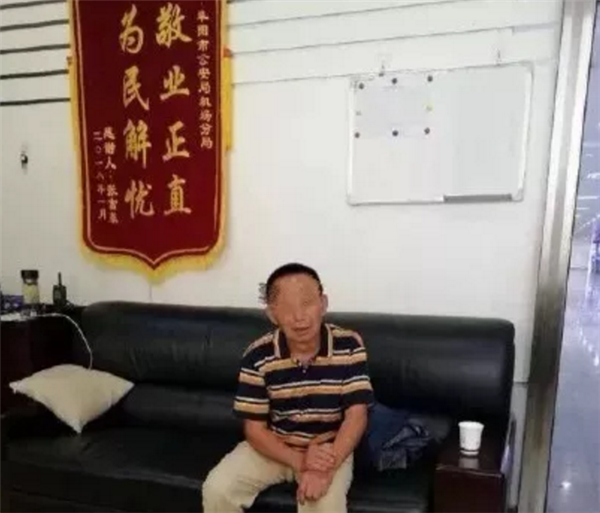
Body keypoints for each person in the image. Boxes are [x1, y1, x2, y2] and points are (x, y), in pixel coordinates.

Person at [203, 263, 374, 513]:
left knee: (323, 505)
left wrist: (325, 466)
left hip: (330, 449)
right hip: (276, 446)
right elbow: (254, 429)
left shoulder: (349, 345)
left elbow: (357, 416)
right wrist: (301, 461)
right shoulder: (257, 355)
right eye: (287, 308)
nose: (299, 316)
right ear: (272, 315)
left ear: (323, 304)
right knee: (218, 489)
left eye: (307, 303)